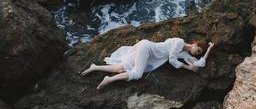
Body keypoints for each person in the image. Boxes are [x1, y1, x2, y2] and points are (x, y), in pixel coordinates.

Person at [80, 37, 215, 90]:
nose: (196, 53)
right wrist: (188, 68)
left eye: (198, 53)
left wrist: (209, 48)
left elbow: (201, 64)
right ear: (195, 44)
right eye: (198, 50)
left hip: (147, 52)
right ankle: (108, 80)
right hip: (147, 48)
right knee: (137, 74)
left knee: (121, 67)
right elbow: (171, 60)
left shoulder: (183, 53)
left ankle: (95, 67)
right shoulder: (179, 42)